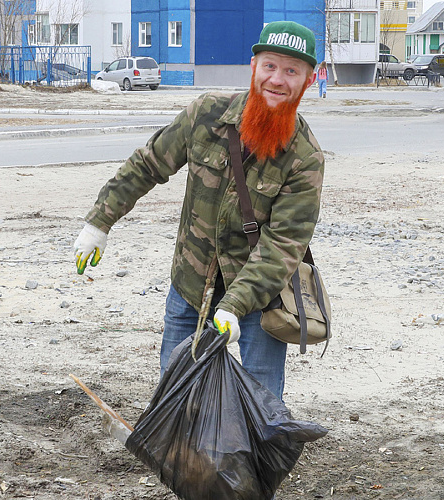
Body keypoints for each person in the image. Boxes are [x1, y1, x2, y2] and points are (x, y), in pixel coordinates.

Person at [73, 20, 324, 399]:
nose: (277, 79)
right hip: (191, 285)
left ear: (308, 81)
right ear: (254, 68)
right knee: (175, 393)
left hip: (261, 296)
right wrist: (100, 222)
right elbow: (148, 164)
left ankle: (255, 458)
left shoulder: (305, 158)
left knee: (261, 401)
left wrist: (236, 305)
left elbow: (283, 246)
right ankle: (177, 458)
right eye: (270, 66)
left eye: (291, 71)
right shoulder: (206, 114)